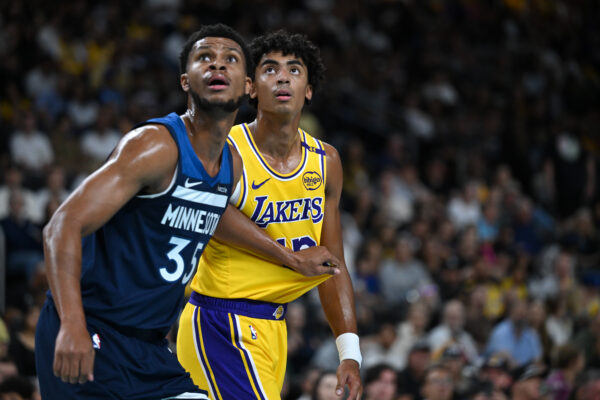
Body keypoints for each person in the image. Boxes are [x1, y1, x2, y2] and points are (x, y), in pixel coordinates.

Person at [34, 24, 338, 400]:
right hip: (92, 330)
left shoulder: (232, 165)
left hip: (148, 348)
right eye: (204, 58)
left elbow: (219, 224)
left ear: (247, 86)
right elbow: (62, 226)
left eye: (230, 59)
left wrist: (288, 257)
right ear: (185, 81)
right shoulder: (156, 146)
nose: (217, 66)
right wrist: (72, 324)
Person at [176, 30, 362, 399]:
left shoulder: (326, 161)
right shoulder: (226, 150)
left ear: (308, 89)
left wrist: (350, 354)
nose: (282, 77)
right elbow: (210, 214)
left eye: (294, 70)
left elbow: (332, 263)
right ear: (250, 87)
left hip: (273, 328)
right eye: (270, 69)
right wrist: (291, 259)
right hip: (219, 321)